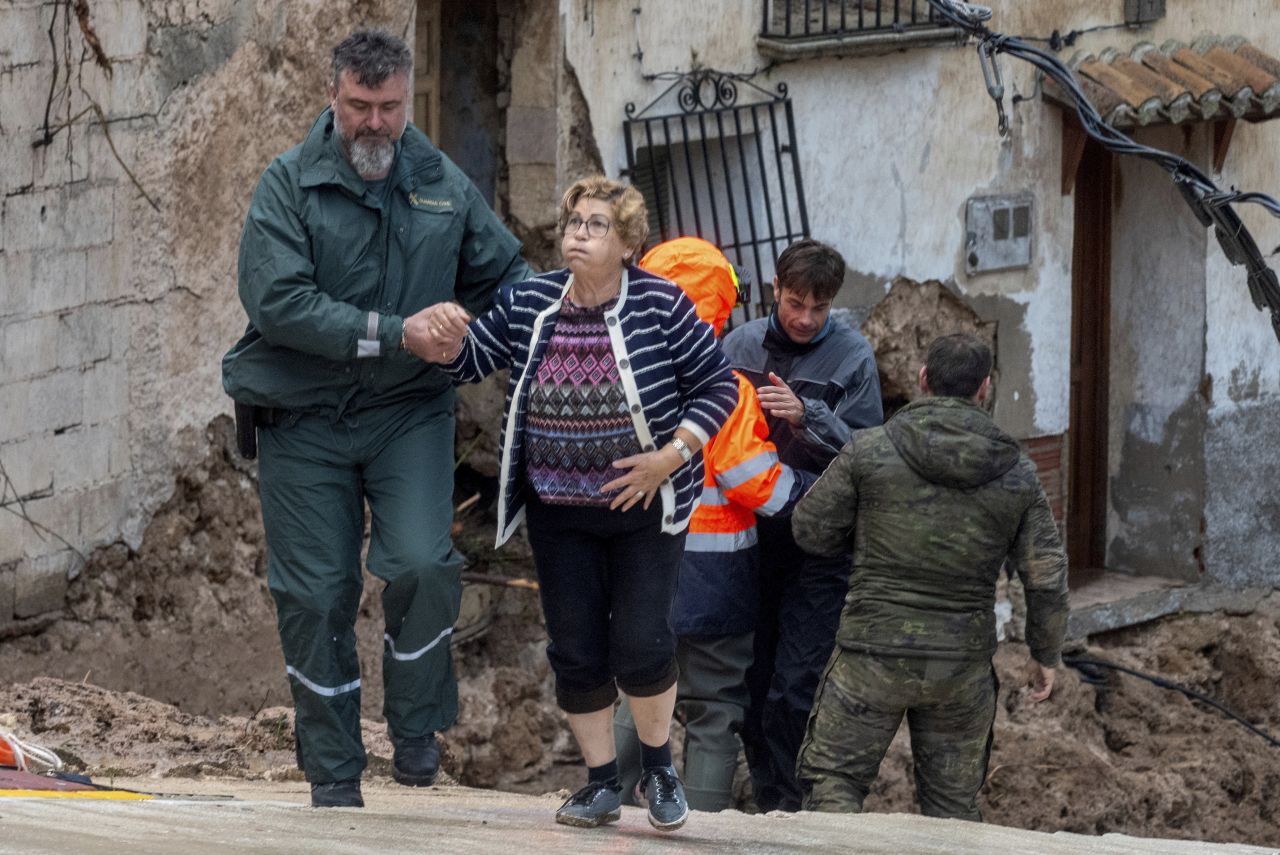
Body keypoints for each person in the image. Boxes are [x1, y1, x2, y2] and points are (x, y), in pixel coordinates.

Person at [221, 29, 530, 808]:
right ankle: (333, 774)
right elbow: (278, 302)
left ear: (404, 99)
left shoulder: (439, 181)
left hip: (408, 412)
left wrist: (477, 341)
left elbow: (510, 278)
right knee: (318, 592)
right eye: (359, 106)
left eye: (389, 107)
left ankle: (417, 733)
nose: (375, 124)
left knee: (425, 563)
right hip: (303, 415)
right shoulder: (289, 183)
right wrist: (396, 332)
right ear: (335, 98)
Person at [422, 177, 738, 831]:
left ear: (628, 242)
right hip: (558, 511)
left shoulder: (662, 305)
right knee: (575, 648)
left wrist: (671, 456)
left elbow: (717, 385)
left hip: (645, 508)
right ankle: (600, 783)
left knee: (644, 642)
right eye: (572, 223)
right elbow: (476, 358)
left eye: (595, 225)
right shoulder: (531, 301)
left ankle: (658, 769)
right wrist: (447, 339)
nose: (578, 235)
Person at [792, 333, 1069, 820]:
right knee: (953, 808)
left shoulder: (869, 450)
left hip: (869, 655)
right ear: (984, 388)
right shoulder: (1018, 473)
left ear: (923, 379)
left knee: (834, 784)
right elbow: (1045, 574)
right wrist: (1045, 653)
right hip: (960, 668)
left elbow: (810, 530)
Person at [613, 237, 815, 812]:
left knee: (637, 695)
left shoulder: (615, 379)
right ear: (721, 306)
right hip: (715, 581)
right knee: (714, 710)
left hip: (638, 575)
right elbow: (760, 486)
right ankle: (698, 830)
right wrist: (813, 491)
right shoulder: (726, 387)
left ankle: (608, 805)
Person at [720, 238, 883, 812]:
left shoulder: (853, 358)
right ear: (775, 290)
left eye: (819, 308)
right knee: (752, 676)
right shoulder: (736, 344)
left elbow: (868, 454)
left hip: (821, 544)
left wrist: (807, 415)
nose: (806, 318)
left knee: (796, 682)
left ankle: (790, 804)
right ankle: (765, 788)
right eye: (795, 303)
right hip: (747, 539)